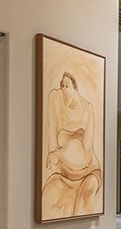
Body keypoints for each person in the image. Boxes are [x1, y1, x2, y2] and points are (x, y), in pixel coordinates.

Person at [41, 70, 102, 217]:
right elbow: (51, 134)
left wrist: (61, 154)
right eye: (62, 86)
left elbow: (86, 154)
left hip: (88, 170)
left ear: (75, 88)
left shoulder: (87, 108)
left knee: (85, 199)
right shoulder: (54, 99)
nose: (64, 90)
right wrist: (53, 160)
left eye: (67, 86)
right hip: (64, 173)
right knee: (49, 197)